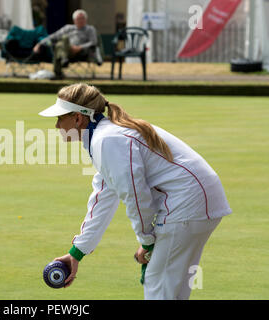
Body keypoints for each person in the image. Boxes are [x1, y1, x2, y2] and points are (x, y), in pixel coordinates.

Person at [38, 83, 232, 300]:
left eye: (60, 118)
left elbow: (135, 196)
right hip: (196, 203)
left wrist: (147, 241)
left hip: (187, 204)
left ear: (77, 118)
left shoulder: (108, 140)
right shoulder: (103, 138)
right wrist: (77, 252)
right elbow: (103, 196)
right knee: (170, 287)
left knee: (158, 286)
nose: (56, 125)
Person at [33, 9, 101, 80]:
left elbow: (93, 42)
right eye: (78, 19)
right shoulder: (68, 28)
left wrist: (79, 47)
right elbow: (54, 36)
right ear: (74, 20)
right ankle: (64, 59)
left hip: (82, 53)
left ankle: (59, 71)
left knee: (59, 46)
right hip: (68, 51)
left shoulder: (90, 29)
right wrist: (39, 44)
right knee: (62, 41)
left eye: (82, 18)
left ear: (86, 19)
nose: (81, 20)